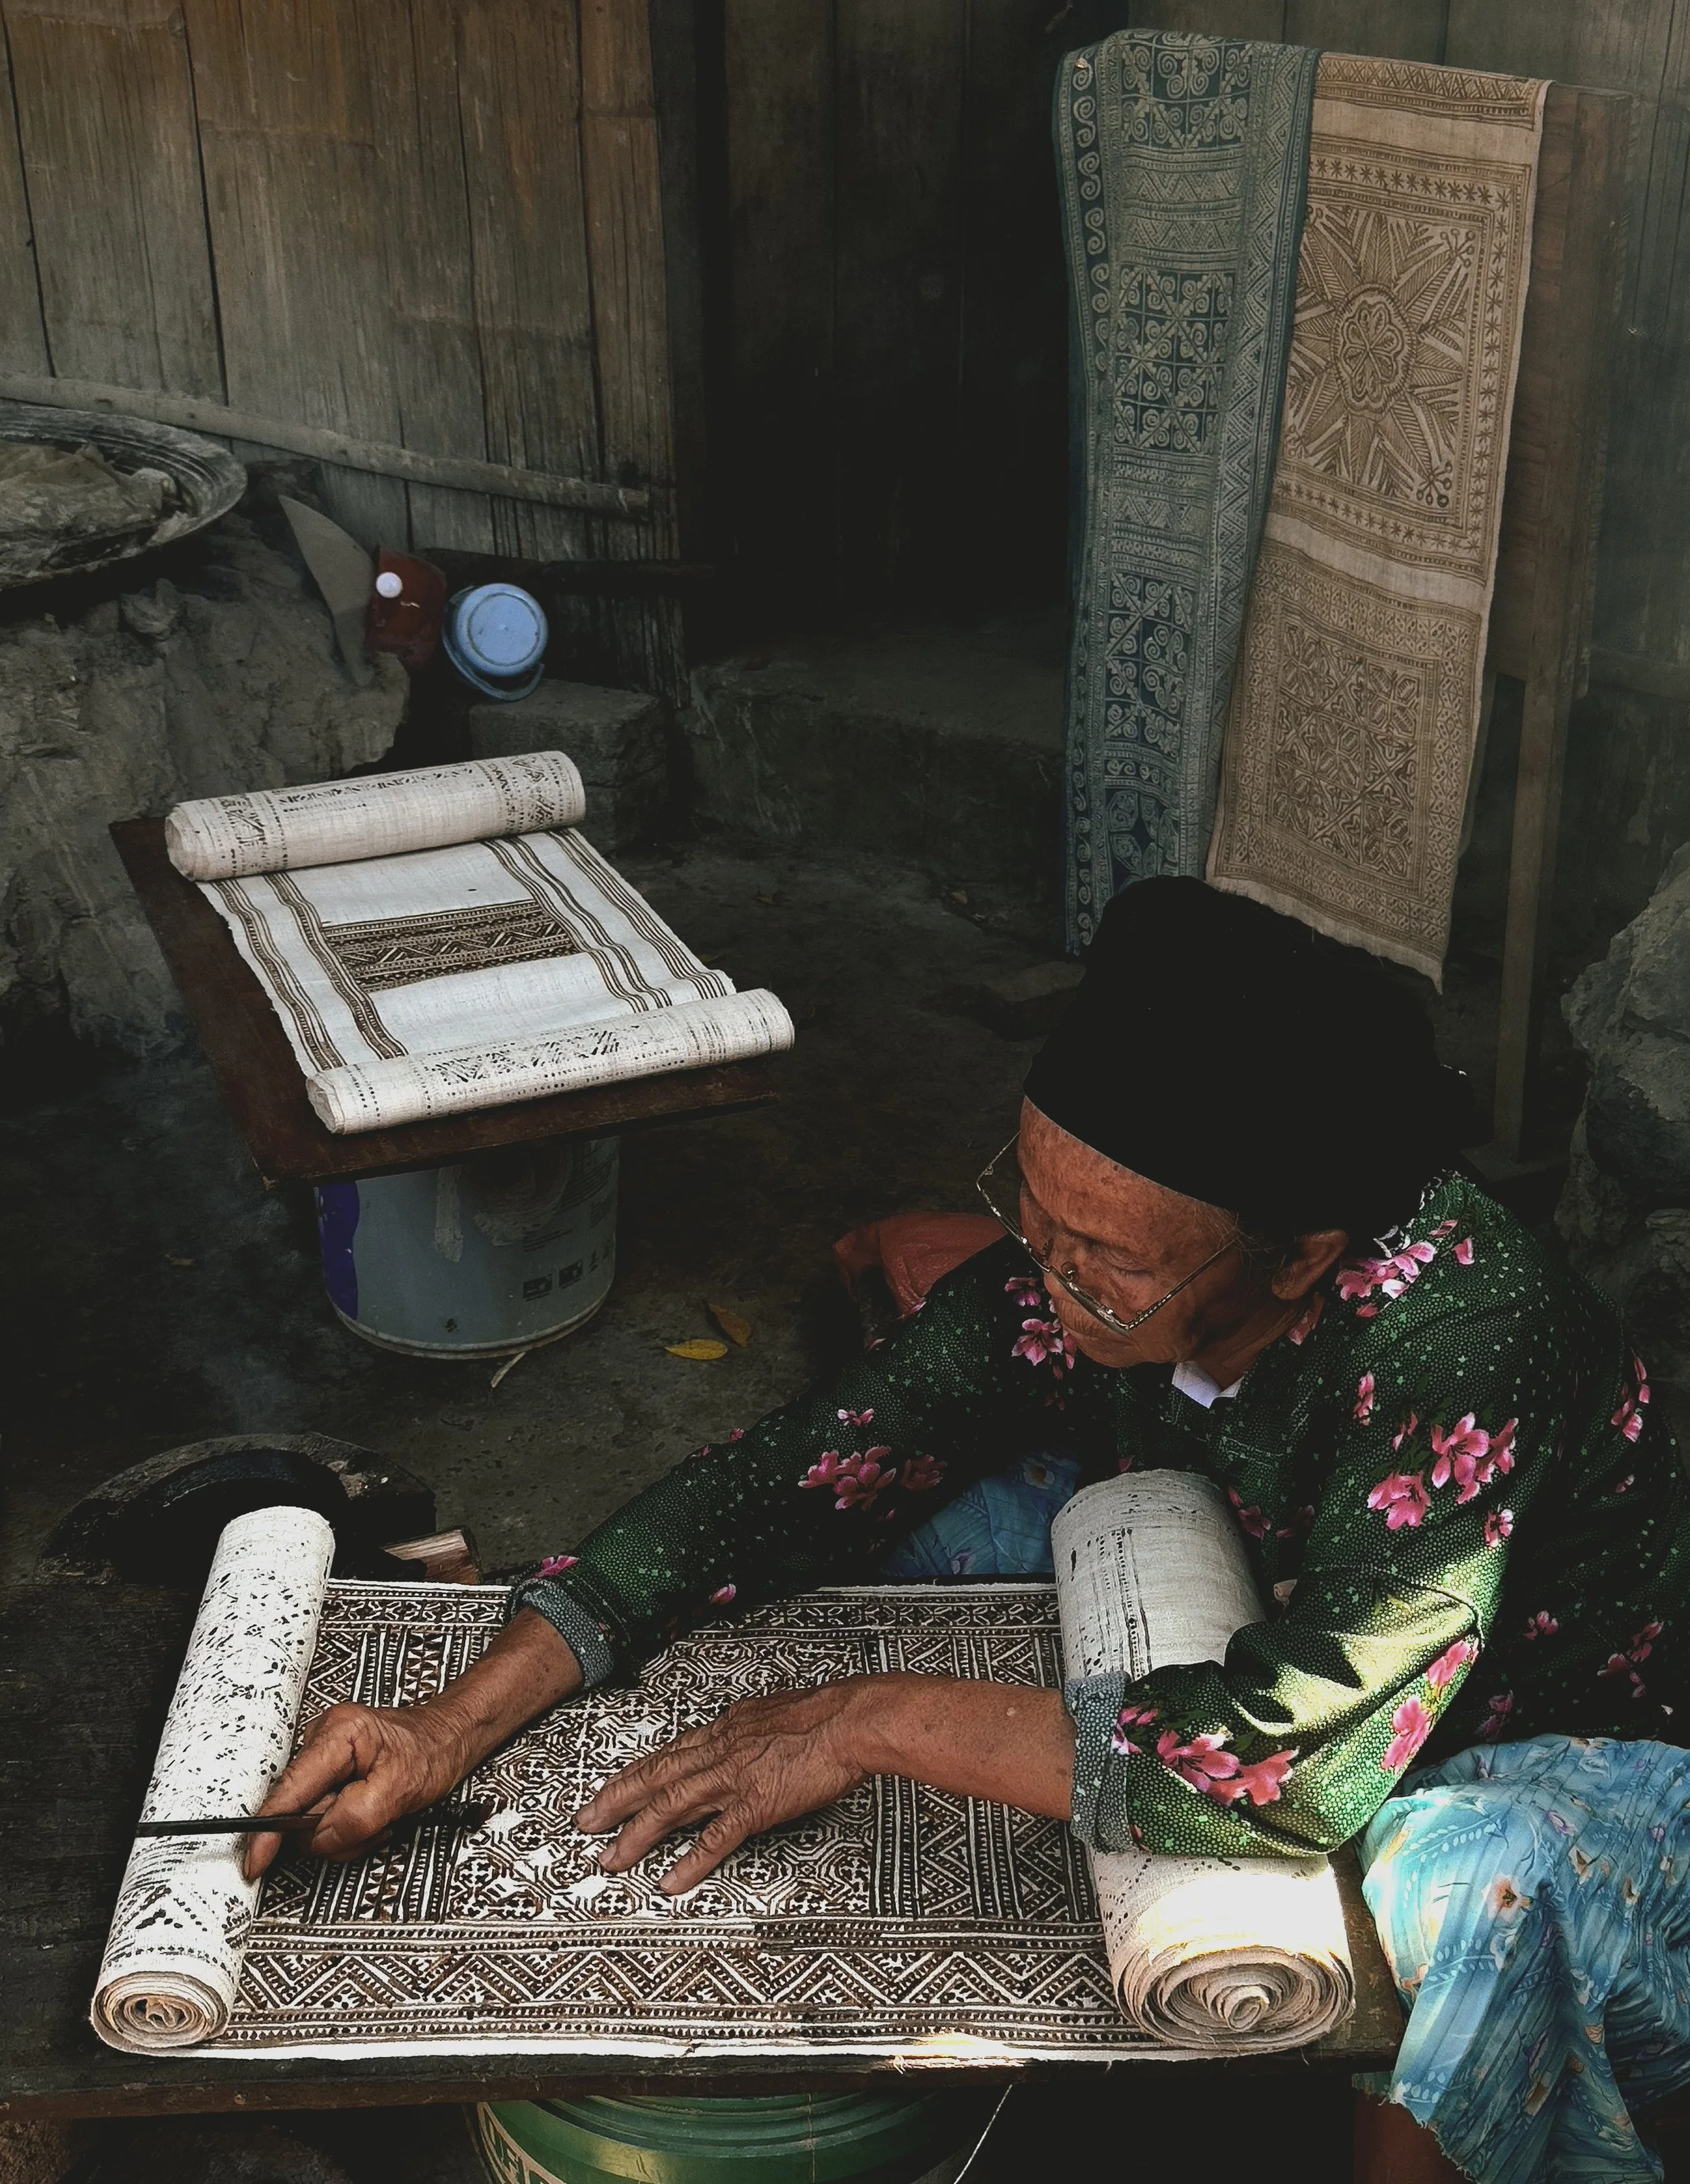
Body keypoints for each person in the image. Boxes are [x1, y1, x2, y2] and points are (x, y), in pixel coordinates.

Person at [251, 878, 1690, 2183]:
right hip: (1246, 1552)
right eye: (1032, 1211)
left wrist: (866, 1720)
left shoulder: (1462, 1343)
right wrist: (449, 1725)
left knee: (1478, 1887)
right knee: (874, 1528)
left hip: (1545, 1730)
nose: (1047, 1276)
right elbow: (790, 1477)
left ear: (1298, 1256)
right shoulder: (1074, 1278)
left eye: (1104, 1260)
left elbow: (1282, 1765)